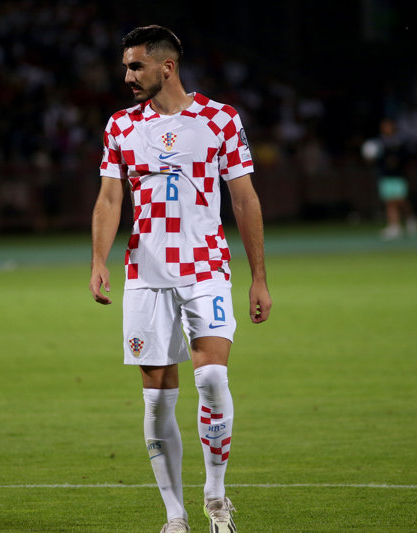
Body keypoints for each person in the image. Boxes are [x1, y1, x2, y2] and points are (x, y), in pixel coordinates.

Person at [89, 25, 272, 533]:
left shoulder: (220, 119)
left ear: (167, 66)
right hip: (145, 275)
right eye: (126, 67)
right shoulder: (121, 125)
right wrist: (99, 260)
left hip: (206, 267)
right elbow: (110, 197)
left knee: (212, 378)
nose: (128, 76)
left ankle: (216, 497)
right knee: (157, 399)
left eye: (136, 66)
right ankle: (175, 516)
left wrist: (258, 277)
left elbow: (244, 199)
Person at [363, 117, 417, 239]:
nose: (386, 128)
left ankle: (410, 218)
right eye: (384, 126)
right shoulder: (378, 142)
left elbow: (407, 158)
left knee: (400, 200)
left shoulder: (400, 141)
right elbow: (373, 159)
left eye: (388, 126)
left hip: (398, 175)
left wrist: (397, 161)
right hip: (385, 175)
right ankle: (394, 227)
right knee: (389, 202)